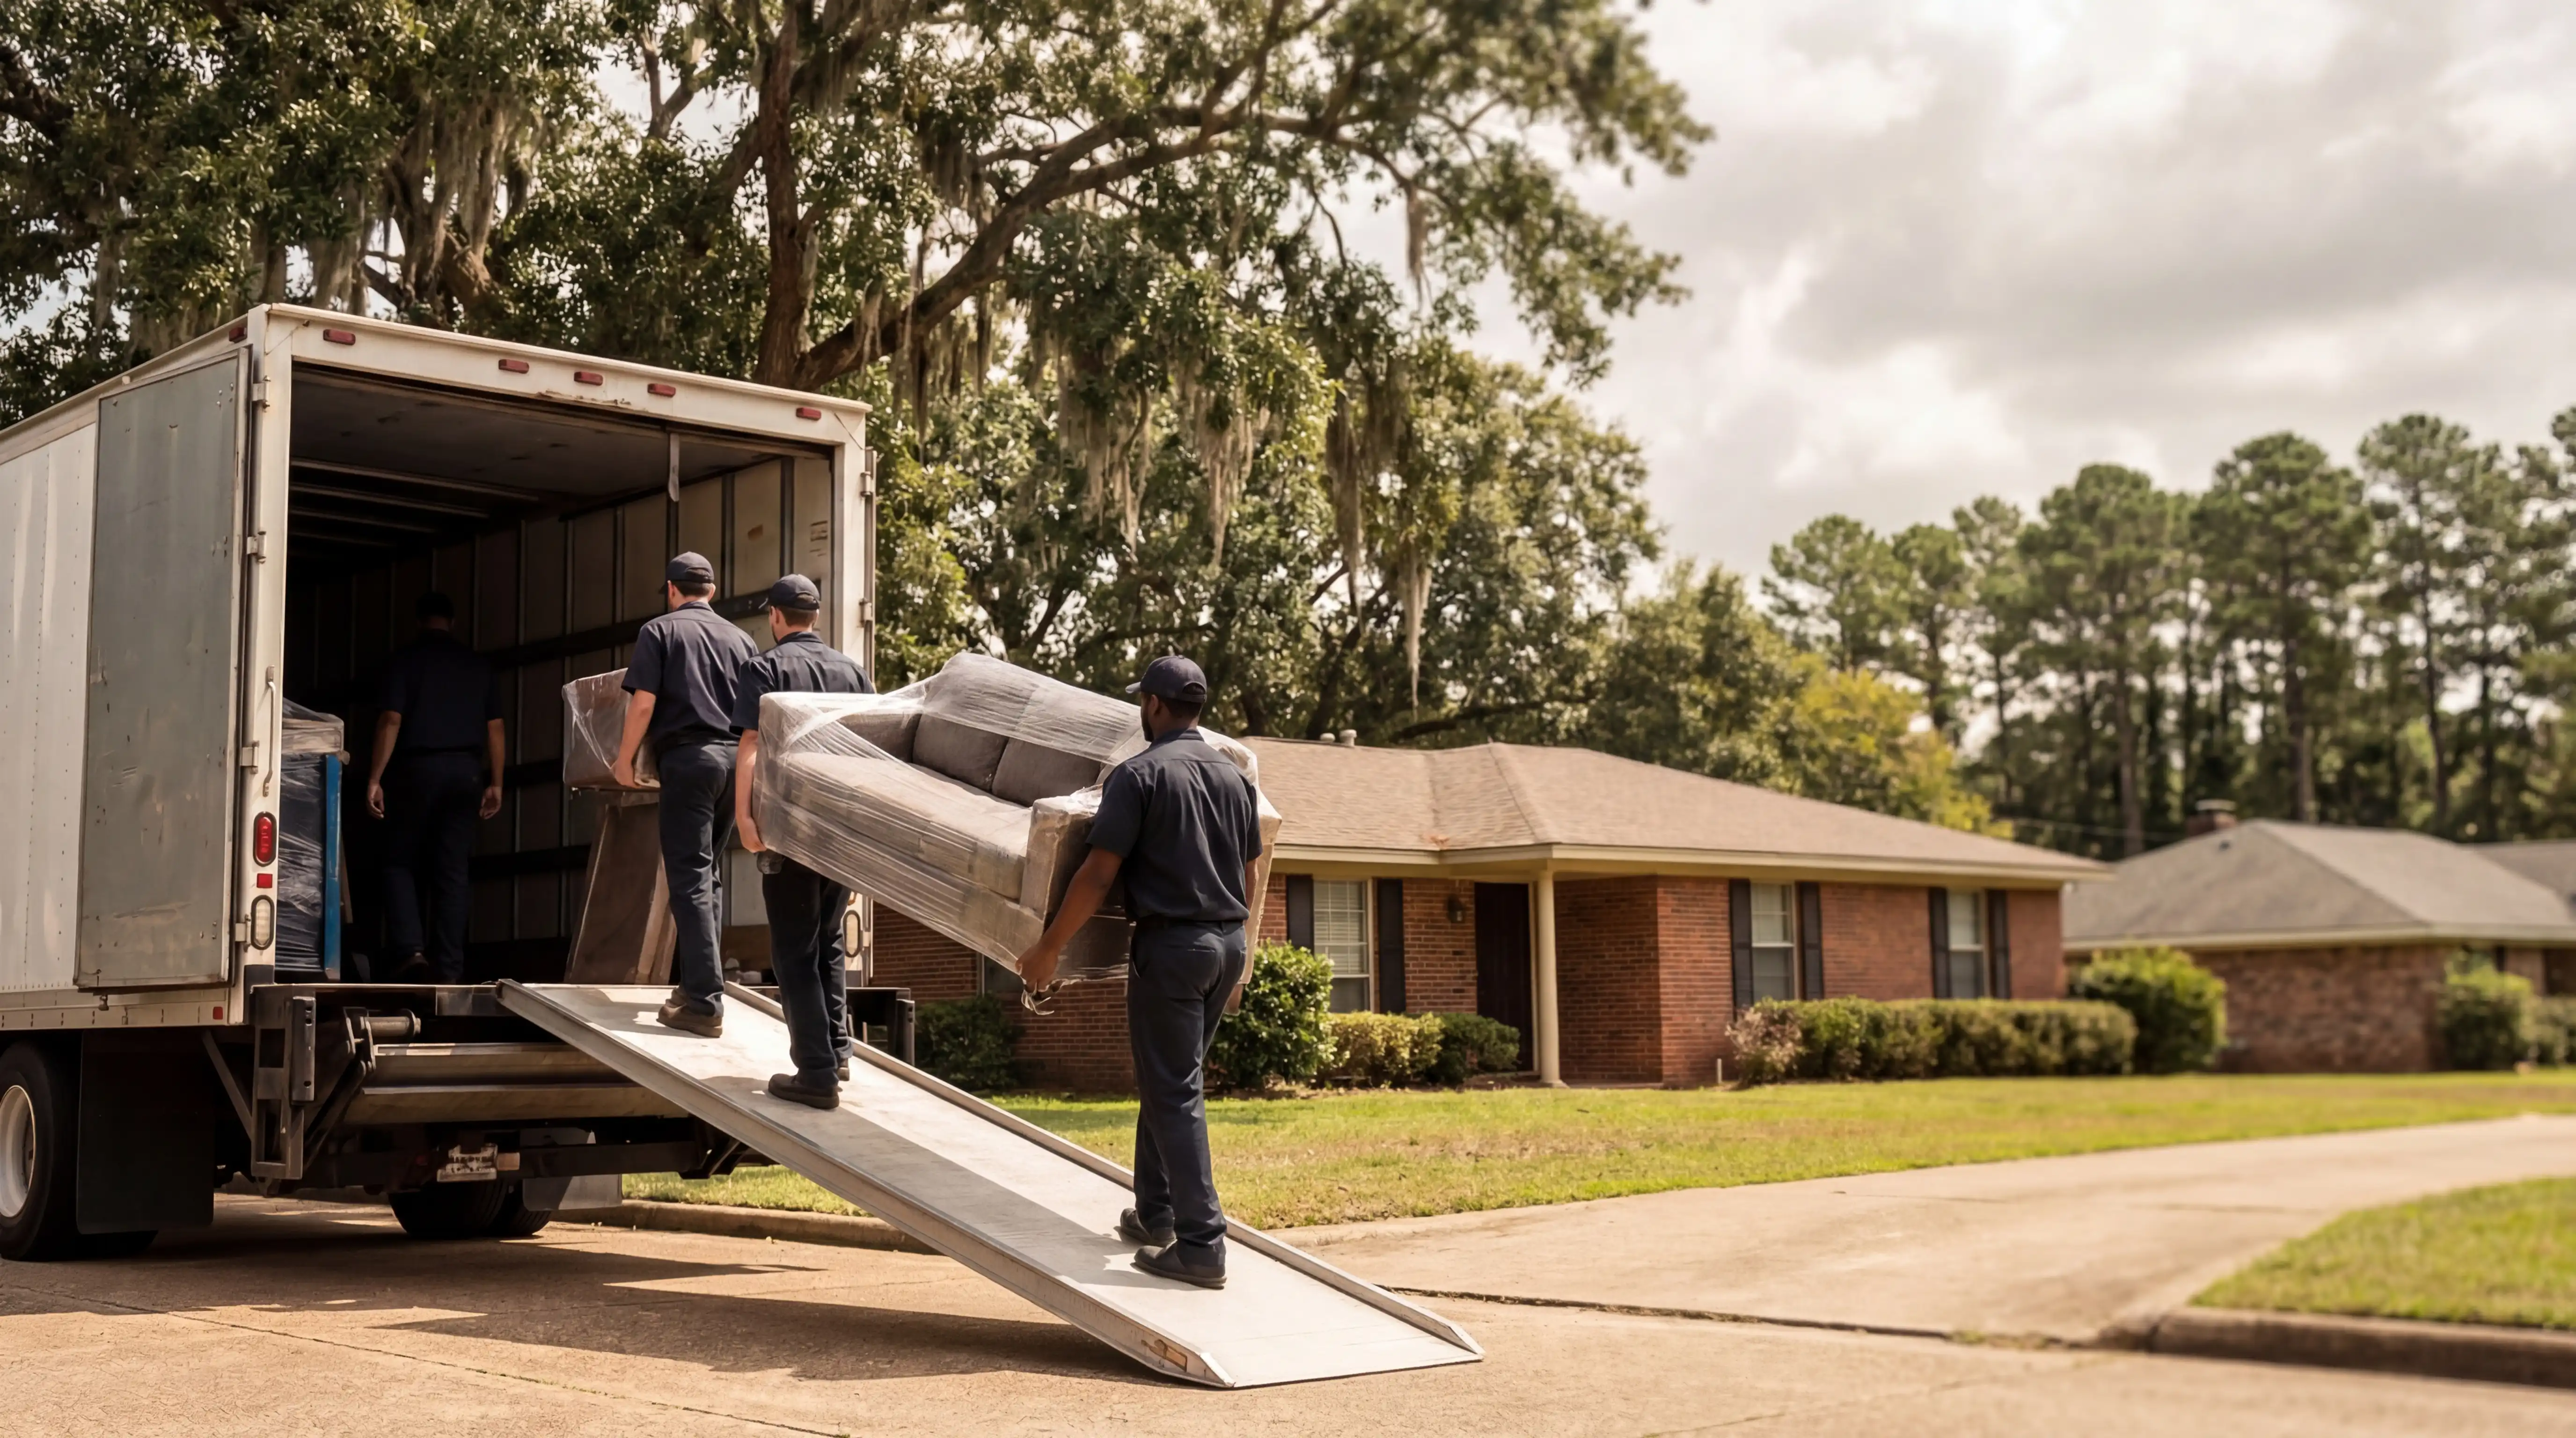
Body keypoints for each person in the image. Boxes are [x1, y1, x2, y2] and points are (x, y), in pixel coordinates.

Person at [1017, 655, 1262, 1291]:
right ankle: (1155, 1213)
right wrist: (1245, 954)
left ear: (1153, 706)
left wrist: (1049, 949)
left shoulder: (1139, 775)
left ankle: (1202, 1244)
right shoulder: (1236, 778)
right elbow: (1252, 873)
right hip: (1227, 942)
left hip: (1174, 949)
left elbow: (1098, 873)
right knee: (1171, 1081)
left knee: (1174, 1091)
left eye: (1141, 704)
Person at [731, 574, 871, 1109]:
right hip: (840, 828)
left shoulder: (764, 668)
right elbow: (870, 755)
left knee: (793, 949)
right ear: (814, 616)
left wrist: (745, 818)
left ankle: (815, 1074)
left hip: (790, 828)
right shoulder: (853, 673)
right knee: (828, 940)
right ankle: (836, 1052)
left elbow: (749, 747)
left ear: (775, 616)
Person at [613, 552, 758, 1036]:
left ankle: (703, 1001)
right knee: (708, 877)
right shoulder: (743, 641)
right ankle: (701, 985)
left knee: (689, 877)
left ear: (672, 590)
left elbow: (644, 704)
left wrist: (624, 759)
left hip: (689, 760)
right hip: (733, 763)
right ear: (711, 592)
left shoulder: (659, 632)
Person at [366, 590, 505, 984]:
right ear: (453, 622)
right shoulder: (478, 666)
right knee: (453, 872)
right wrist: (496, 782)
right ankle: (450, 968)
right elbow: (496, 728)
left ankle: (411, 951)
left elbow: (391, 720)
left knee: (398, 861)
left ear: (418, 621)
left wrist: (375, 778)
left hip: (416, 770)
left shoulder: (404, 661)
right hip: (466, 773)